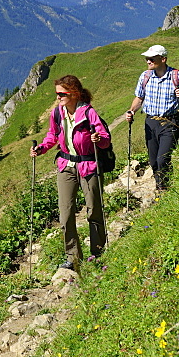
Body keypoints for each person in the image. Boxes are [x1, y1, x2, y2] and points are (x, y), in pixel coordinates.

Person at [30, 75, 110, 270]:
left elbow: (105, 140)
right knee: (65, 213)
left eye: (61, 94)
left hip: (89, 165)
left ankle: (98, 253)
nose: (58, 98)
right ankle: (73, 257)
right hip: (66, 165)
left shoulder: (89, 113)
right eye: (57, 94)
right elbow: (53, 135)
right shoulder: (58, 113)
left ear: (73, 93)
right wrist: (42, 148)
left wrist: (97, 138)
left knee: (94, 210)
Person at [124, 45, 179, 191]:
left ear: (163, 59)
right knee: (153, 161)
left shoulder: (177, 76)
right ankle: (161, 187)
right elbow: (139, 98)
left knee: (163, 159)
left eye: (151, 58)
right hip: (150, 123)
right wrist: (131, 111)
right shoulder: (145, 76)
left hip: (170, 122)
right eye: (147, 58)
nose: (148, 61)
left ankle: (164, 190)